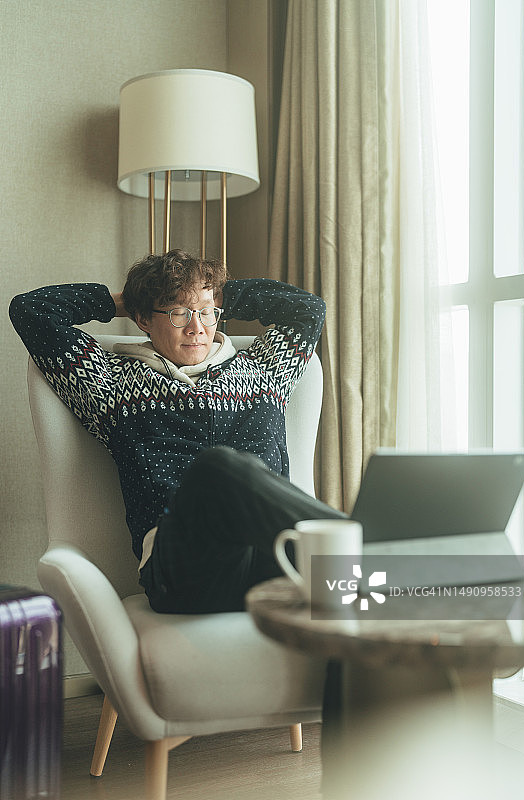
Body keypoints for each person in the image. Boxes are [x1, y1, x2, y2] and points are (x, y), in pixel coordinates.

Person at [10, 249, 345, 615]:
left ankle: (372, 569)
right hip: (183, 571)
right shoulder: (111, 383)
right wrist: (128, 301)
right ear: (143, 318)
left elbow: (309, 309)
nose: (196, 328)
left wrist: (217, 294)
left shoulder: (266, 370)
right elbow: (31, 311)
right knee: (218, 467)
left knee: (240, 482)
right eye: (178, 313)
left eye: (206, 312)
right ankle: (363, 541)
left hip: (271, 561)